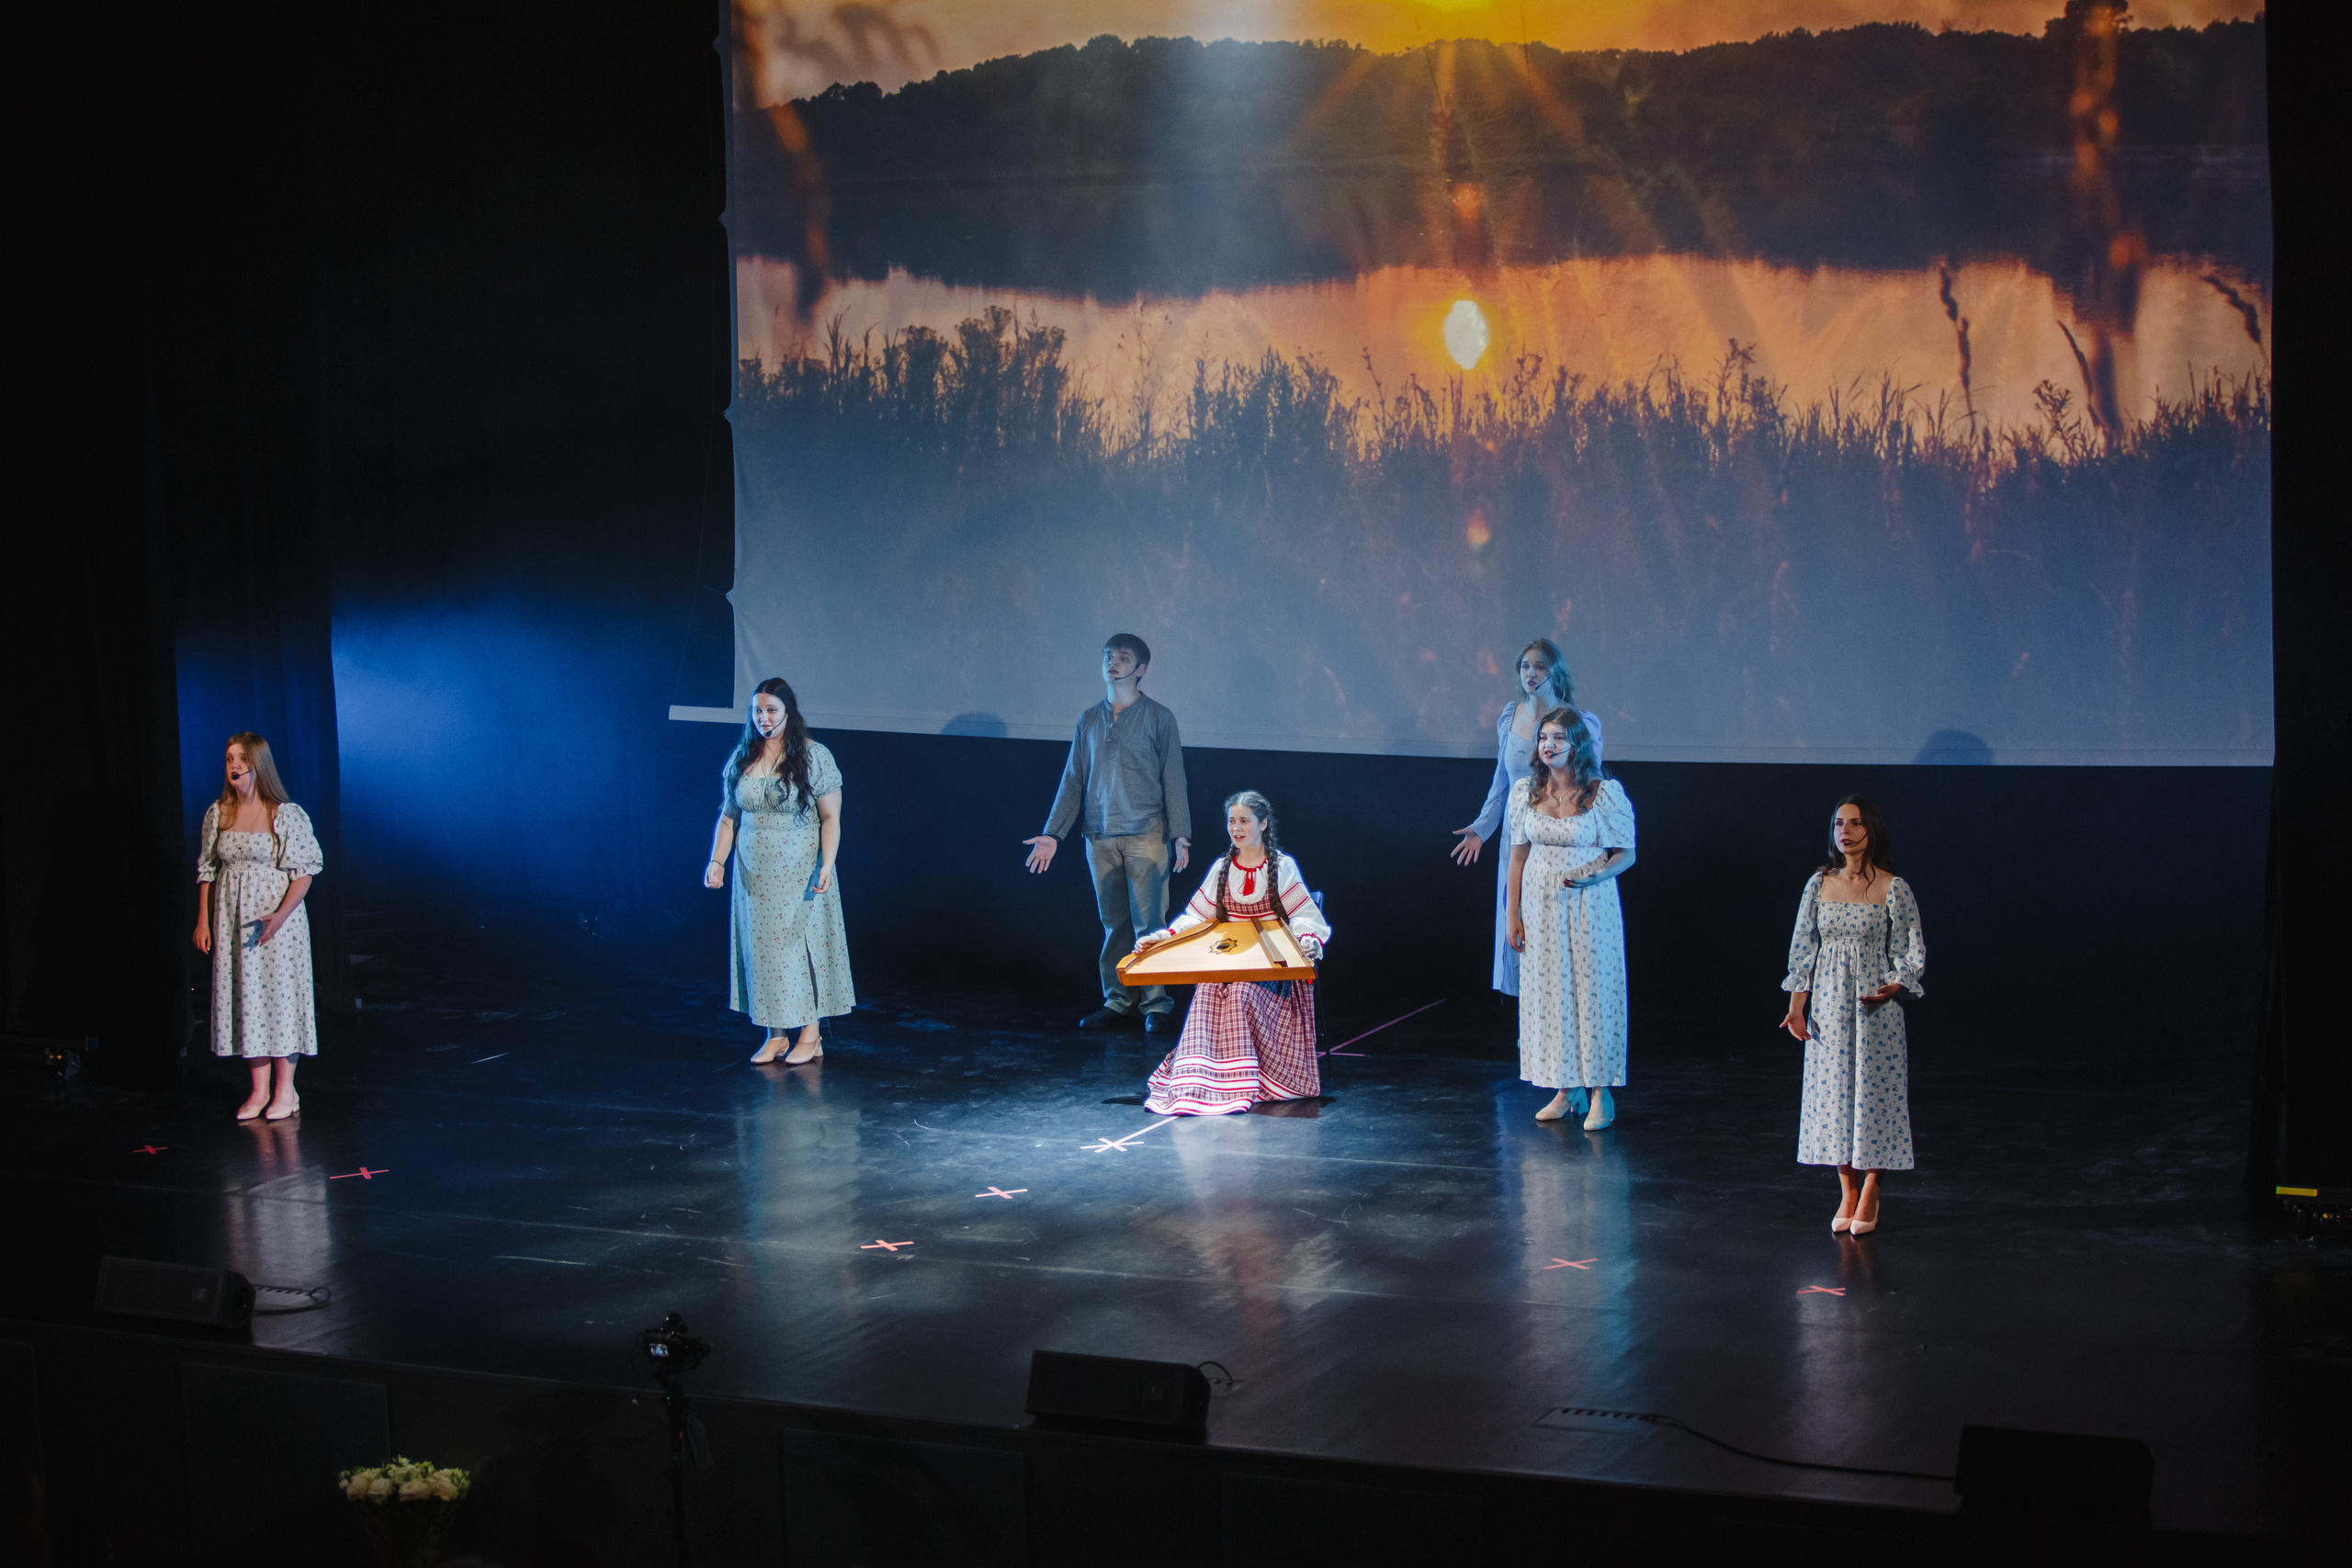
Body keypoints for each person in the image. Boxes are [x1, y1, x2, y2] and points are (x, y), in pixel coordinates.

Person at [1023, 633, 1193, 1032]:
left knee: (1150, 924)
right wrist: (1053, 834)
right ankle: (1118, 1001)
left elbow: (1174, 779)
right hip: (1098, 837)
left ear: (1141, 668)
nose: (1113, 663)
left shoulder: (1159, 717)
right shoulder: (1088, 719)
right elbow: (1072, 781)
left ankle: (1156, 1005)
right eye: (1108, 656)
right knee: (1114, 923)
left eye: (1123, 657)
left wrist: (1180, 833)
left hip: (1146, 834)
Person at [1135, 791, 1330, 1114]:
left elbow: (1304, 916)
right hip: (1230, 961)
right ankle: (1201, 1080)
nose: (1236, 828)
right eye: (1231, 821)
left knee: (1240, 993)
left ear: (1263, 824)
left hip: (1271, 968)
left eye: (1244, 821)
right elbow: (1197, 916)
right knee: (1207, 990)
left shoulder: (1282, 866)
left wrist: (1307, 940)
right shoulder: (1222, 868)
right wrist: (1162, 937)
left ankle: (1244, 1079)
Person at [1779, 796, 1923, 1235]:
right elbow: (1804, 947)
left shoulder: (1893, 888)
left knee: (1874, 1096)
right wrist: (1796, 1005)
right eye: (1839, 823)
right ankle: (1847, 1189)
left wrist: (1897, 983)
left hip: (1874, 1009)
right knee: (1835, 1096)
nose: (1845, 831)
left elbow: (1909, 951)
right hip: (1829, 1007)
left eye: (1855, 823)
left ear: (1871, 830)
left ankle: (1873, 1187)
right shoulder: (1819, 883)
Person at [705, 678, 854, 1065]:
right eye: (757, 710)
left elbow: (831, 817)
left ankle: (810, 1033)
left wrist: (827, 863)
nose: (763, 718)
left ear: (788, 712)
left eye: (772, 710)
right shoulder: (743, 758)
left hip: (799, 870)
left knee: (800, 948)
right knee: (763, 951)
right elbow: (727, 818)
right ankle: (775, 1034)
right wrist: (717, 861)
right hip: (753, 874)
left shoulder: (813, 756)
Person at [1506, 707, 1635, 1129]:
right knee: (1551, 995)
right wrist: (1512, 915)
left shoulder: (1603, 792)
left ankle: (1600, 1092)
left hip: (1589, 906)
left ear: (1576, 743)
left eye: (1559, 738)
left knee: (1593, 992)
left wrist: (1596, 876)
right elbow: (1518, 855)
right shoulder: (1526, 791)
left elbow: (1625, 853)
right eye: (1544, 737)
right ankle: (1566, 1087)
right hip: (1540, 908)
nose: (1549, 745)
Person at [1453, 638, 1602, 998]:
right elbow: (1501, 784)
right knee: (1519, 919)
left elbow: (1592, 783)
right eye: (1525, 667)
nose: (1531, 674)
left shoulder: (1578, 722)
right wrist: (1481, 829)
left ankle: (1561, 1018)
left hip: (1559, 836)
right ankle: (1532, 1027)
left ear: (1556, 672)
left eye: (1539, 667)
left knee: (1555, 925)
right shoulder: (1511, 716)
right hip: (1519, 837)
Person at [193, 733, 322, 1121]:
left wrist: (280, 917)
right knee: (246, 999)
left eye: (240, 758)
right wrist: (204, 920)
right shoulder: (219, 813)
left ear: (257, 764)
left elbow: (305, 873)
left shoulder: (284, 813)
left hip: (278, 924)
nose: (233, 765)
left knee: (279, 1001)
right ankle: (259, 1090)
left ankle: (287, 1091)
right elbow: (207, 869)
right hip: (235, 922)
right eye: (228, 757)